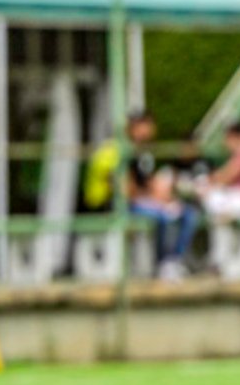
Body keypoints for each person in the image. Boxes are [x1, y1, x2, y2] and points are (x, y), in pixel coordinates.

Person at [83, 114, 198, 280]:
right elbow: (123, 189)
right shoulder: (114, 150)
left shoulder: (139, 152)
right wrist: (155, 199)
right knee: (164, 216)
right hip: (107, 204)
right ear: (133, 128)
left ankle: (172, 261)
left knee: (186, 213)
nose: (149, 133)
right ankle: (163, 263)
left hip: (134, 201)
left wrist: (162, 197)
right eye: (145, 128)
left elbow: (146, 182)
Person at [199, 120, 240, 222]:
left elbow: (228, 176)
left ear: (234, 136)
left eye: (227, 138)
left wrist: (210, 182)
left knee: (208, 192)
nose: (225, 143)